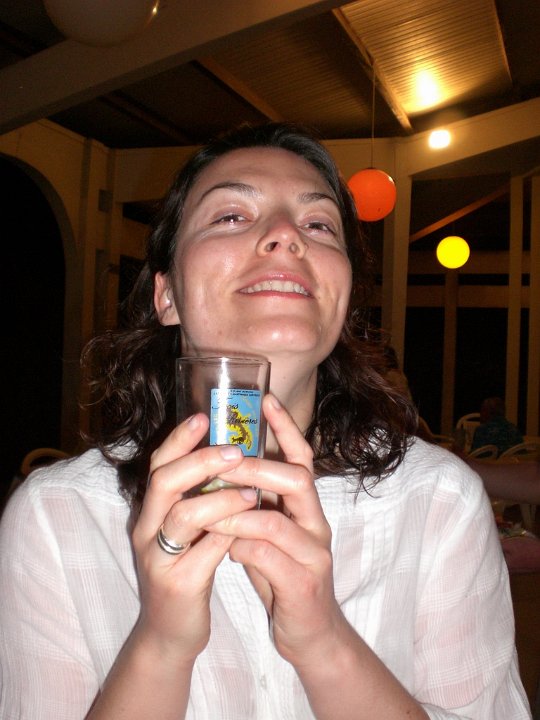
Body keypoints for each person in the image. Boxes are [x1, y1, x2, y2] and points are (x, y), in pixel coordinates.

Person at [0, 123, 531, 720]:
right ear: (166, 295)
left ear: (343, 296)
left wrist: (324, 642)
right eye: (231, 216)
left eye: (319, 224)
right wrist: (160, 646)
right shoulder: (58, 516)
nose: (285, 235)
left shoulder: (437, 500)